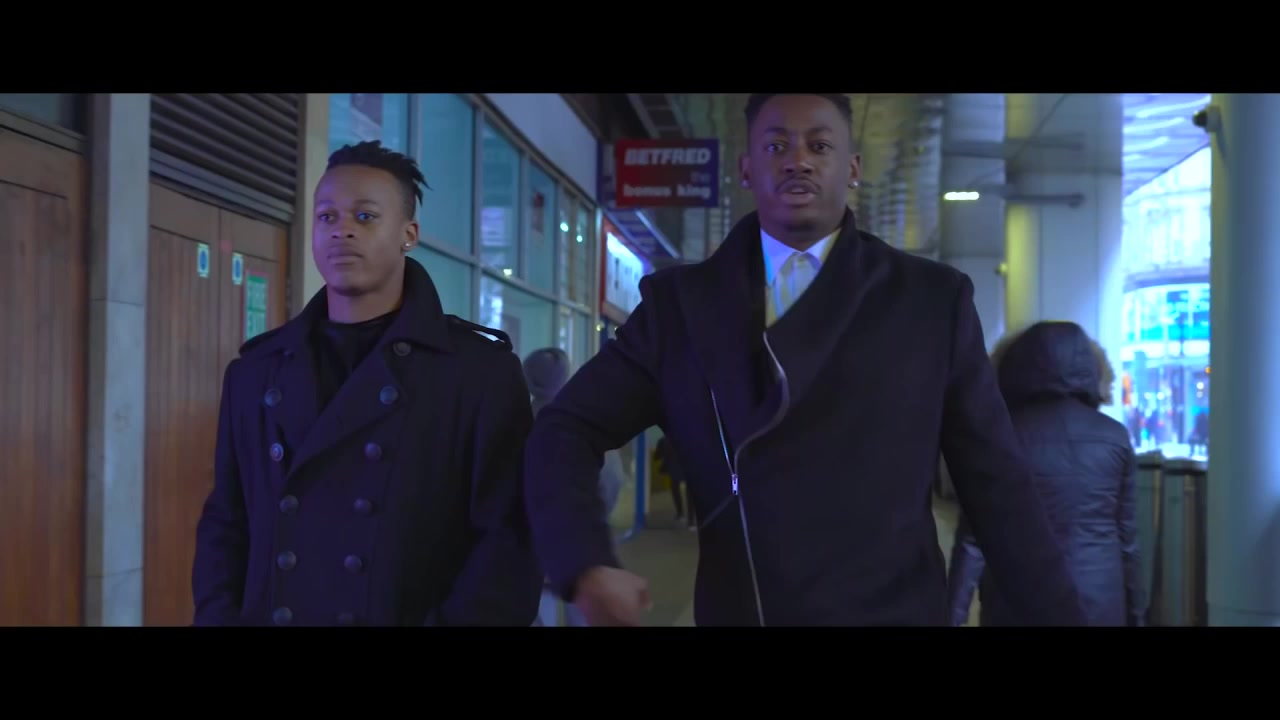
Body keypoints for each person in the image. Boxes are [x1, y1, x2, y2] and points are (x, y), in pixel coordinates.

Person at [523, 93, 1086, 627]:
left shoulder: (930, 301)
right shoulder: (681, 309)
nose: (798, 160)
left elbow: (998, 485)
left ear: (853, 167)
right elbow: (566, 428)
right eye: (776, 146)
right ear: (746, 170)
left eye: (819, 145)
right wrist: (584, 561)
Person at [191, 140, 543, 626]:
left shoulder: (476, 373)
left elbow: (508, 541)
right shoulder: (255, 372)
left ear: (408, 234)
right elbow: (225, 523)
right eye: (327, 217)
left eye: (365, 216)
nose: (343, 230)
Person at [947, 322, 1146, 627]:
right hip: (1100, 602)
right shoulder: (1115, 437)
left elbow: (973, 541)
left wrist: (951, 615)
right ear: (1091, 370)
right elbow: (1128, 542)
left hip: (1019, 602)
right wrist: (1136, 615)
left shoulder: (1000, 436)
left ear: (1015, 368)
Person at [523, 347, 626, 627]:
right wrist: (593, 516)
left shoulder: (515, 424)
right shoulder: (582, 423)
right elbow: (614, 479)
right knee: (584, 612)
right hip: (582, 546)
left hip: (530, 550)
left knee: (535, 610)